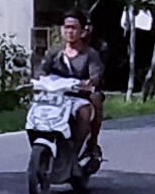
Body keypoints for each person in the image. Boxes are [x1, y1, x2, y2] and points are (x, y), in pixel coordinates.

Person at [34, 14, 106, 163]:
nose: (69, 31)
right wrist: (38, 79)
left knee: (93, 102)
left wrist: (89, 83)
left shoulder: (90, 54)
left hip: (80, 96)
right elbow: (42, 70)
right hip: (57, 96)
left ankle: (89, 144)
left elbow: (96, 75)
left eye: (73, 28)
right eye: (67, 27)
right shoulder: (54, 52)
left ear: (83, 32)